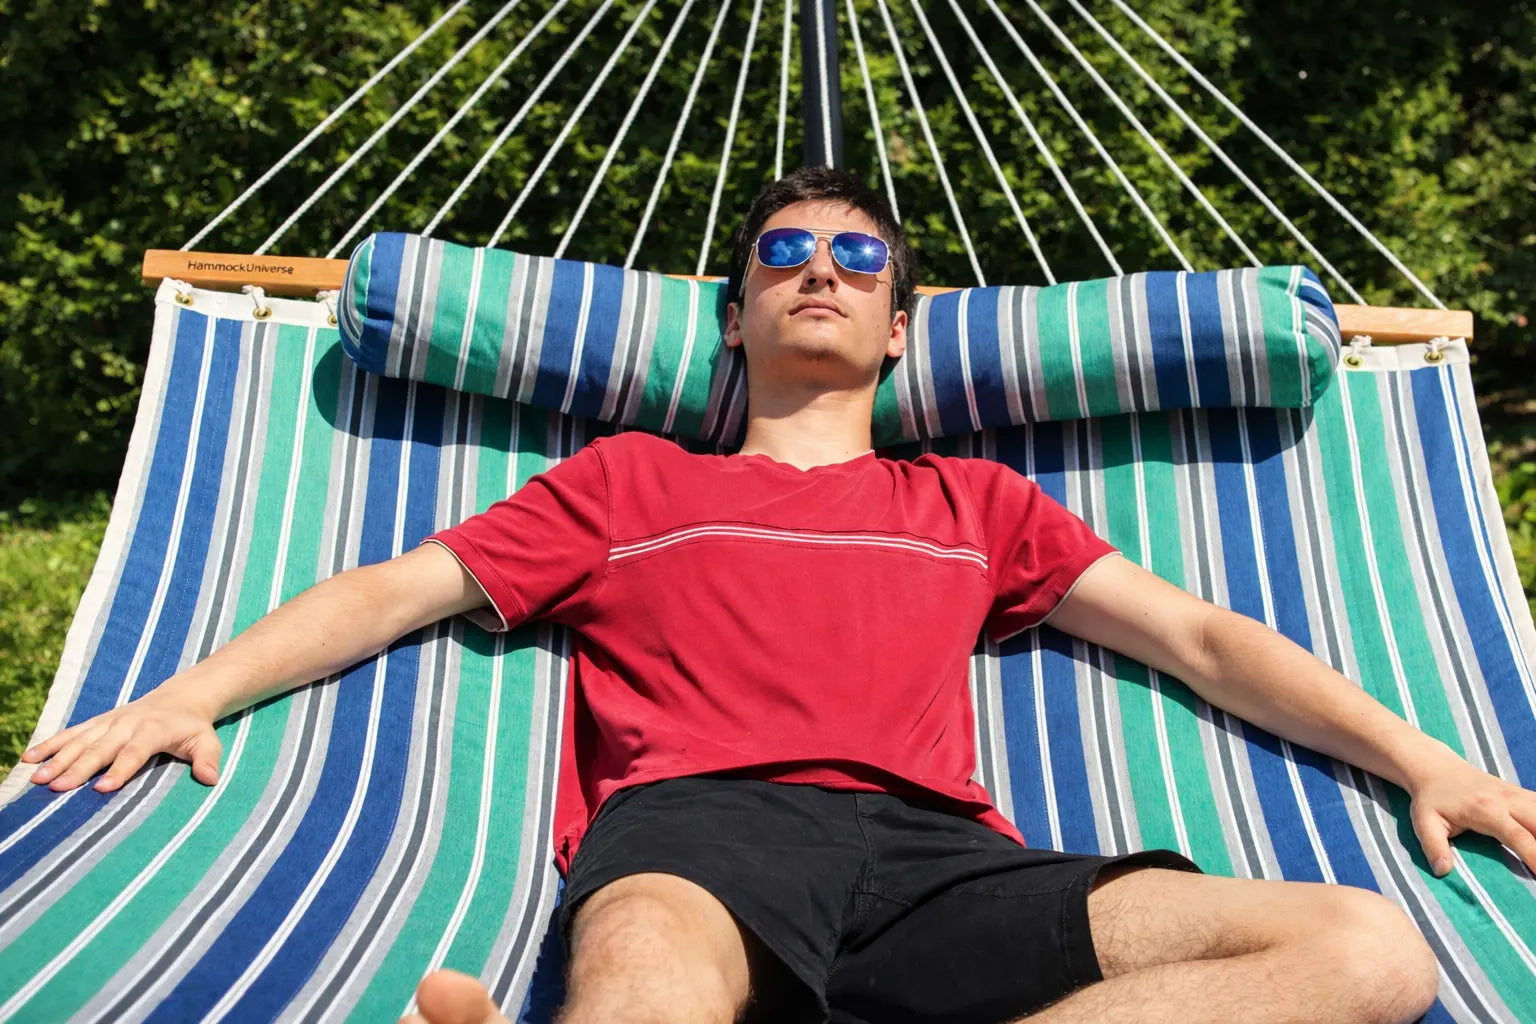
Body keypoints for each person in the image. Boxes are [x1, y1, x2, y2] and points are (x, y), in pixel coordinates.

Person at [20, 168, 1536, 1024]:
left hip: (947, 857)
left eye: (856, 260)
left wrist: (1433, 763)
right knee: (643, 975)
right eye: (783, 256)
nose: (819, 271)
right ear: (737, 317)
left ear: (897, 328)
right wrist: (186, 691)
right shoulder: (628, 484)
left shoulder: (975, 504)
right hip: (703, 827)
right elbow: (389, 589)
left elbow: (1209, 641)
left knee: (1368, 953)